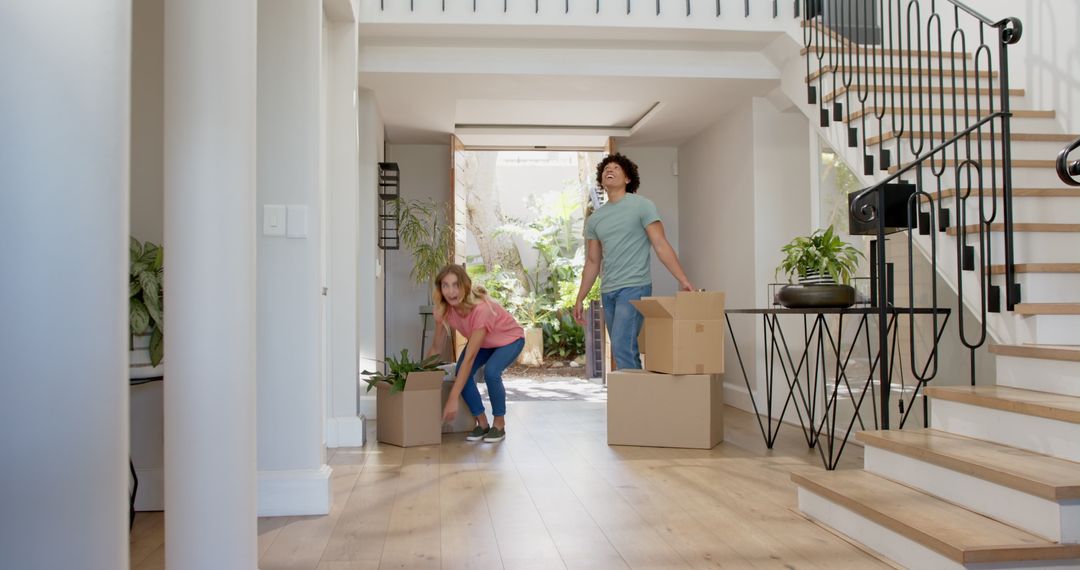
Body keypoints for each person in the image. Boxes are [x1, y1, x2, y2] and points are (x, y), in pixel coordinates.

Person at [572, 153, 693, 370]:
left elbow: (660, 244)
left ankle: (634, 392)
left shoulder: (642, 206)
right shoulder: (596, 219)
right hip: (608, 291)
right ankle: (636, 390)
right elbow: (592, 261)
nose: (610, 170)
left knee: (622, 347)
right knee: (623, 349)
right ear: (601, 180)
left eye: (616, 167)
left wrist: (683, 279)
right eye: (606, 168)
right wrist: (580, 297)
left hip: (634, 286)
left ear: (628, 179)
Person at [427, 264, 525, 443]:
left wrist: (452, 398)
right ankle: (482, 423)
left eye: (456, 285)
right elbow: (436, 348)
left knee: (491, 372)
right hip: (485, 343)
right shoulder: (442, 309)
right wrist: (419, 376)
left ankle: (499, 424)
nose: (451, 291)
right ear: (440, 288)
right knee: (461, 374)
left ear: (465, 286)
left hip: (510, 339)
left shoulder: (481, 309)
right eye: (445, 285)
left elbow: (469, 358)